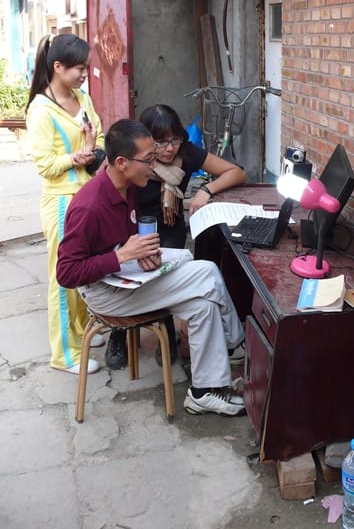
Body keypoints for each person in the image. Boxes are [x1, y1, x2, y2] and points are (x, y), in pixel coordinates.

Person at [56, 119, 247, 417]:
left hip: (124, 275)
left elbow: (124, 240)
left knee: (203, 305)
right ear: (122, 163)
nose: (153, 166)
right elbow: (66, 273)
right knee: (207, 273)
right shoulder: (88, 206)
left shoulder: (128, 187)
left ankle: (204, 392)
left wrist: (142, 254)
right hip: (103, 292)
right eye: (148, 160)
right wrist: (122, 257)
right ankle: (238, 345)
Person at [104, 103, 246, 370]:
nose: (169, 148)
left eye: (175, 139)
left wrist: (206, 190)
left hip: (169, 228)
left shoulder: (186, 153)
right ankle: (118, 332)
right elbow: (107, 187)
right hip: (132, 228)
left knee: (167, 274)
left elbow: (236, 172)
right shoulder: (136, 161)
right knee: (128, 274)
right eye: (160, 142)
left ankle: (167, 327)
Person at [26, 33, 105, 375]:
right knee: (63, 276)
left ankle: (80, 329)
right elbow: (44, 165)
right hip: (61, 202)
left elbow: (98, 135)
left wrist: (94, 150)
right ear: (57, 67)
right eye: (79, 69)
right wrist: (76, 157)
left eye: (87, 68)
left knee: (85, 270)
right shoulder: (41, 110)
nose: (85, 74)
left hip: (87, 197)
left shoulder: (82, 97)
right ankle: (64, 354)